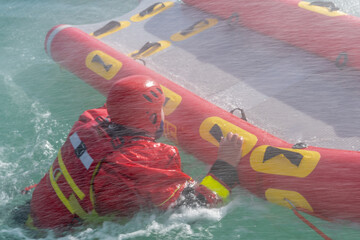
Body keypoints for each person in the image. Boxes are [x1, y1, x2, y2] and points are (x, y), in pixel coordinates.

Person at [27, 75, 243, 229]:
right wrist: (225, 167)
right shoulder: (140, 159)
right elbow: (192, 209)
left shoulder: (89, 121)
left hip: (30, 211)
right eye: (160, 110)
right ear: (152, 118)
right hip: (58, 233)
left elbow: (121, 104)